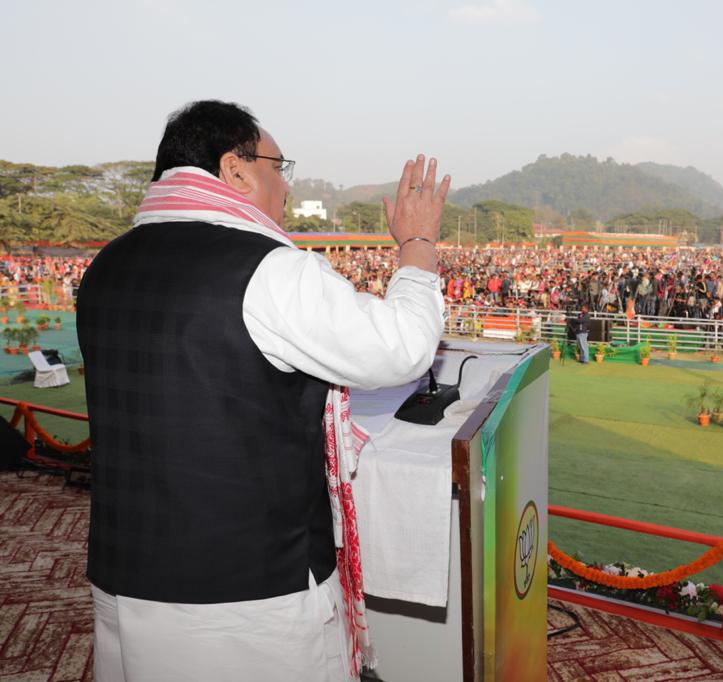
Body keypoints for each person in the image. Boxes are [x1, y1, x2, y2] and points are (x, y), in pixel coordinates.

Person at [76, 100, 449, 682]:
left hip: (126, 575)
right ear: (236, 169)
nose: (286, 189)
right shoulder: (269, 269)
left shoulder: (106, 265)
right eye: (280, 167)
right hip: (249, 596)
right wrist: (418, 244)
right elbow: (401, 348)